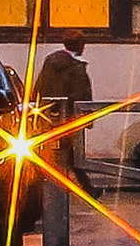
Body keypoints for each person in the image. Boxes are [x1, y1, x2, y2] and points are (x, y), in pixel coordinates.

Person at [30, 31, 95, 184]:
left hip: (50, 114)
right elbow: (81, 94)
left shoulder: (50, 62)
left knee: (58, 152)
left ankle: (81, 186)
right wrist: (87, 117)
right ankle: (83, 187)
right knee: (71, 153)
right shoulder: (77, 68)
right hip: (70, 117)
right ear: (80, 45)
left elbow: (39, 86)